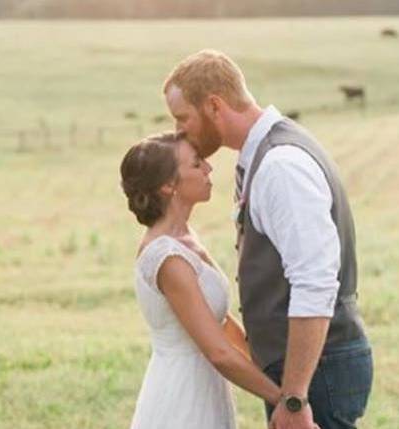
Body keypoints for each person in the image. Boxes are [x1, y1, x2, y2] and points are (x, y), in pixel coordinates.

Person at [163, 50, 373, 429]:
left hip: (316, 374)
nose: (179, 131)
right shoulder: (264, 154)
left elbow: (315, 281)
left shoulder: (280, 166)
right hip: (308, 370)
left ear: (214, 106)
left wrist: (294, 396)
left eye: (183, 118)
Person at [120, 131, 281, 429]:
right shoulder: (168, 259)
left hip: (206, 386)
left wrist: (269, 369)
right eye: (196, 164)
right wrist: (284, 401)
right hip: (182, 396)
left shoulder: (184, 237)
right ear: (169, 185)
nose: (208, 169)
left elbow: (220, 321)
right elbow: (219, 352)